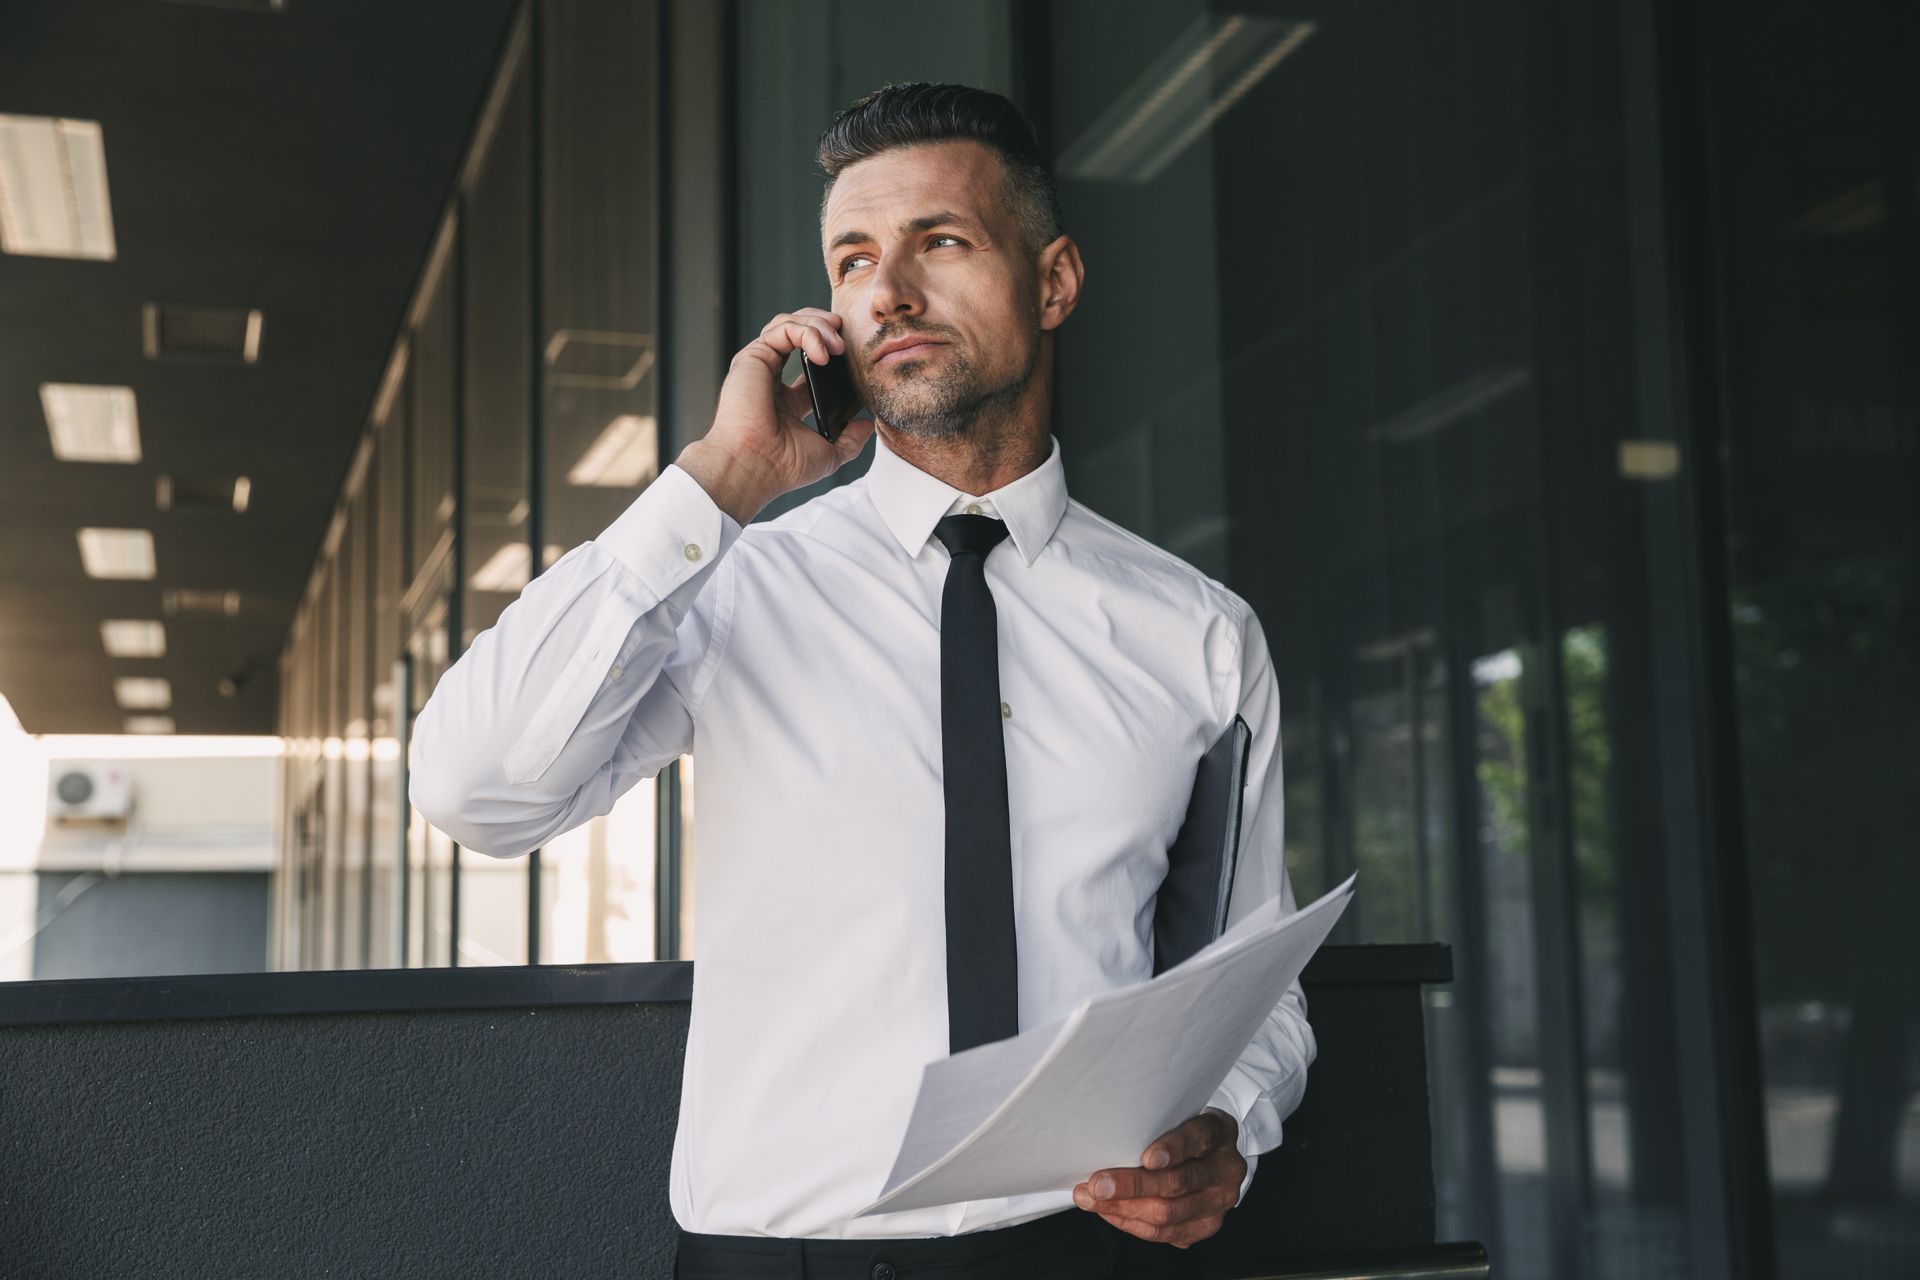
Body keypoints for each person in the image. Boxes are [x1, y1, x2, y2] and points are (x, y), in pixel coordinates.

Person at [408, 81, 1314, 1279]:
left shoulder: (1195, 634)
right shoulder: (731, 583)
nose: (888, 289)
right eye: (852, 258)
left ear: (1054, 281)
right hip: (787, 1254)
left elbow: (1247, 977)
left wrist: (1229, 1125)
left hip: (1089, 1248)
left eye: (940, 241)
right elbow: (477, 788)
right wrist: (719, 481)